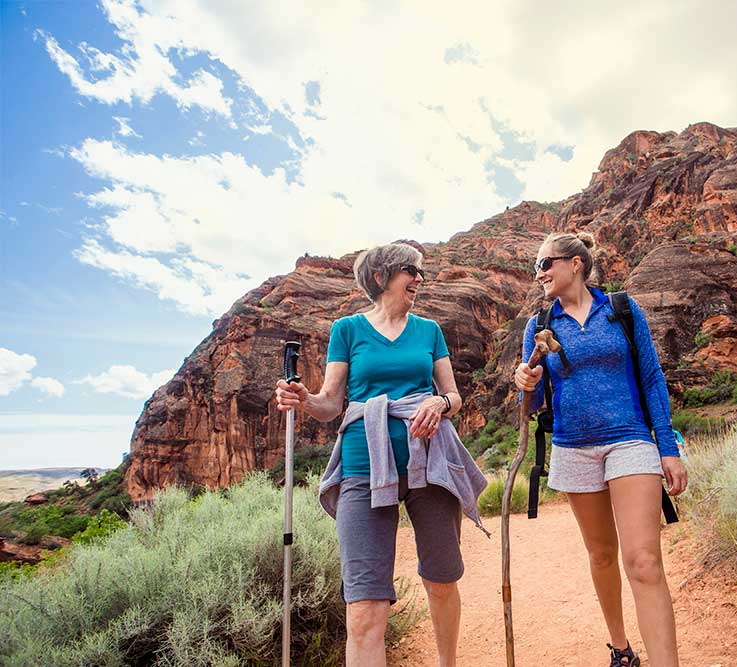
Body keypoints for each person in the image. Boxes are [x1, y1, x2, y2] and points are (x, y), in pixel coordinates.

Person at [275, 242, 487, 667]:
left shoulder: (429, 330)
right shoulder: (347, 330)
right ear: (381, 276)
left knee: (442, 581)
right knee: (364, 605)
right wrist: (304, 399)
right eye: (412, 271)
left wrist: (440, 404)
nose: (420, 280)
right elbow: (331, 403)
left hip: (430, 466)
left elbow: (454, 395)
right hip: (362, 468)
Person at [513, 232, 688, 667]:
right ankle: (621, 649)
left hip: (630, 439)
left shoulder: (622, 311)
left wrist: (666, 445)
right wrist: (526, 386)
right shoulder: (539, 325)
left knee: (643, 560)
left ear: (574, 263)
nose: (539, 274)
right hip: (574, 447)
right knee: (602, 554)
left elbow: (651, 378)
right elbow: (533, 405)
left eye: (544, 264)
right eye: (536, 267)